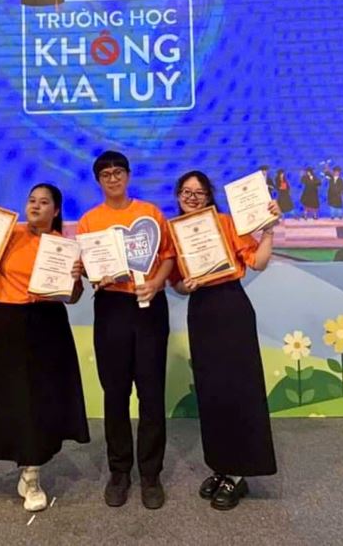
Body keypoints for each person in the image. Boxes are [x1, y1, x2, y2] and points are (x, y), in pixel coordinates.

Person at [0, 184, 90, 512]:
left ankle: (31, 475)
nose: (35, 206)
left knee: (38, 400)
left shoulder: (65, 247)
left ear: (56, 211)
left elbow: (73, 297)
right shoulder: (7, 234)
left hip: (48, 325)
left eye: (44, 202)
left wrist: (75, 278)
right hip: (5, 321)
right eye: (32, 200)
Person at [170, 171, 278, 510]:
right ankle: (220, 466)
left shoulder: (227, 223)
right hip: (201, 312)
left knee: (239, 390)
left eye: (199, 192)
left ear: (209, 196)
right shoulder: (175, 233)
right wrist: (185, 286)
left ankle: (239, 473)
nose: (192, 198)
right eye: (186, 192)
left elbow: (258, 263)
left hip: (231, 308)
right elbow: (176, 283)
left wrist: (269, 231)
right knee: (211, 392)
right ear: (178, 196)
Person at [76, 151, 176, 510]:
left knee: (151, 393)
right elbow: (88, 267)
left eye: (118, 172)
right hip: (111, 309)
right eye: (106, 174)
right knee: (115, 393)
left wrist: (157, 284)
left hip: (149, 307)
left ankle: (151, 474)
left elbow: (169, 256)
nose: (113, 178)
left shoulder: (150, 213)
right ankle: (119, 472)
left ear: (128, 176)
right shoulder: (89, 221)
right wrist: (87, 272)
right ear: (98, 181)